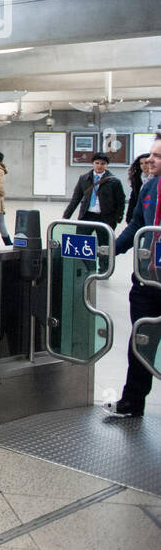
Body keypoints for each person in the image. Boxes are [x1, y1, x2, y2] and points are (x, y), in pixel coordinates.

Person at [110, 135, 161, 417]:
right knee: (141, 339)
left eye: (157, 156)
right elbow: (137, 226)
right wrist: (112, 249)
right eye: (151, 154)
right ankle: (132, 401)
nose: (149, 159)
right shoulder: (149, 187)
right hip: (146, 280)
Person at [64, 152, 125, 228]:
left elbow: (120, 201)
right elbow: (75, 199)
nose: (99, 166)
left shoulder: (114, 181)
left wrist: (118, 217)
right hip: (86, 215)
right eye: (97, 163)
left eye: (103, 164)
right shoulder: (84, 179)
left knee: (104, 239)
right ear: (93, 163)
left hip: (105, 217)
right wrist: (66, 217)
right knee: (82, 238)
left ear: (106, 165)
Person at [125, 151, 154, 224]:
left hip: (152, 214)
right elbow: (133, 200)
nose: (144, 166)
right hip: (139, 214)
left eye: (146, 163)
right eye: (141, 163)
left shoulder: (156, 179)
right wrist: (129, 217)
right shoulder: (137, 179)